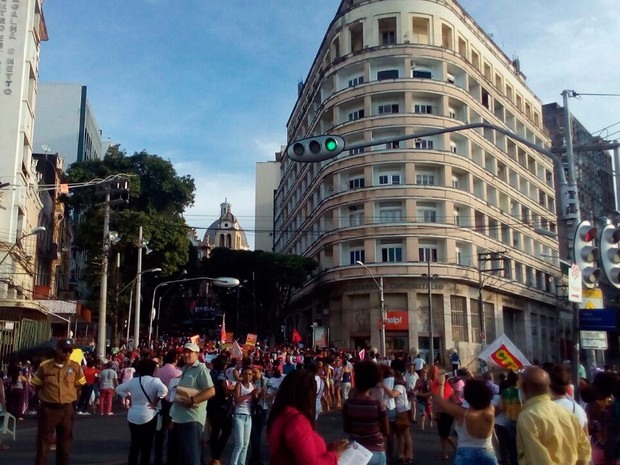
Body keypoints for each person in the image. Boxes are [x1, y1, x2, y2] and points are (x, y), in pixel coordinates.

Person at [267, 369, 349, 465]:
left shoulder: (281, 413)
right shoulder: (297, 421)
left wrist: (329, 449)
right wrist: (335, 454)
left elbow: (300, 449)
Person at [516, 366, 591, 465]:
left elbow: (538, 458)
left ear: (524, 387)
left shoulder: (527, 417)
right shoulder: (567, 414)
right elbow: (584, 450)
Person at [31, 338, 86, 465]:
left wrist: (71, 400)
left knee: (65, 446)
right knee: (43, 446)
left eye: (69, 351)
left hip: (67, 410)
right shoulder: (45, 367)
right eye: (64, 351)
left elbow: (79, 386)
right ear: (57, 350)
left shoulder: (75, 366)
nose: (67, 354)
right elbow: (37, 386)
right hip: (49, 410)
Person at [433, 374, 497, 464]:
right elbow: (479, 391)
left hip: (466, 456)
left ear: (467, 397)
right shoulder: (490, 409)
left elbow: (439, 399)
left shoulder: (462, 413)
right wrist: (471, 377)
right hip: (488, 454)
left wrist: (441, 383)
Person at [169, 342, 215, 465]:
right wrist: (173, 417)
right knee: (181, 457)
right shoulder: (183, 369)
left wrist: (193, 400)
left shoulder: (200, 369)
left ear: (197, 354)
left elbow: (211, 391)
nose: (186, 354)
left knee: (192, 457)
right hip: (179, 418)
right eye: (184, 351)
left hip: (192, 419)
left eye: (189, 352)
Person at [115, 358, 168, 465]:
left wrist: (127, 397)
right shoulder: (154, 381)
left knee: (134, 444)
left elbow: (118, 389)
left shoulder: (133, 381)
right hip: (149, 414)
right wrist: (155, 401)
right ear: (152, 369)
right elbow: (164, 390)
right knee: (146, 446)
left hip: (133, 414)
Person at [342, 361, 389, 465]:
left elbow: (346, 428)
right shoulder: (378, 405)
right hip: (376, 451)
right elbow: (386, 431)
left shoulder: (348, 404)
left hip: (355, 451)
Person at [154, 350, 182, 465]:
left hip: (160, 402)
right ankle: (171, 458)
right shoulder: (176, 372)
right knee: (172, 433)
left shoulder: (158, 371)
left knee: (160, 432)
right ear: (175, 359)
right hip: (172, 402)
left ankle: (158, 458)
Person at [206, 354, 233, 465]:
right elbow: (224, 391)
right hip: (221, 406)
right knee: (227, 430)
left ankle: (214, 456)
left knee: (215, 431)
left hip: (211, 404)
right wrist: (230, 389)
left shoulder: (210, 374)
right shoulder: (221, 376)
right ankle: (216, 456)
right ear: (224, 365)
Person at [230, 366, 257, 465]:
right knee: (239, 444)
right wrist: (250, 394)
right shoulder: (239, 385)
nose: (248, 376)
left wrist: (258, 394)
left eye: (250, 374)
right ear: (242, 375)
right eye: (245, 374)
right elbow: (237, 400)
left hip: (248, 416)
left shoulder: (253, 386)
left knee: (245, 445)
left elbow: (256, 399)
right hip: (239, 415)